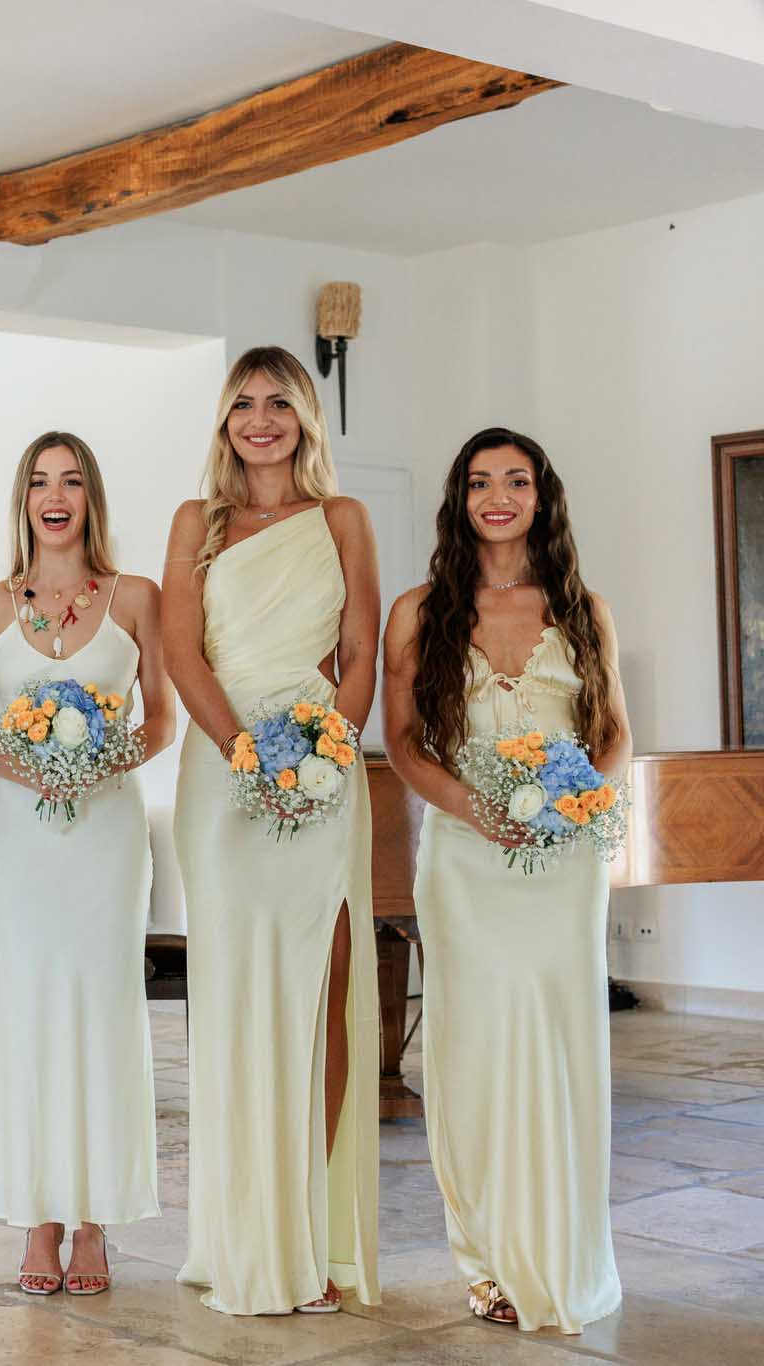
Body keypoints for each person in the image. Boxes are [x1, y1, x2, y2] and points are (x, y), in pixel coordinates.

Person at [383, 428, 628, 1334]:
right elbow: (402, 742)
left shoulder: (584, 609)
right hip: (465, 855)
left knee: (561, 1044)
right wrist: (470, 808)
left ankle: (564, 1250)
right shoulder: (418, 611)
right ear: (459, 500)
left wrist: (581, 802)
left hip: (565, 862)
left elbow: (614, 734)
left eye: (516, 481)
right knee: (475, 1048)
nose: (498, 497)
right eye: (481, 482)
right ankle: (486, 1260)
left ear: (540, 497)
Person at [162, 347, 381, 1315]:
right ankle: (241, 1235)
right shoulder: (195, 522)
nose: (261, 419)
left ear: (304, 420)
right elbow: (180, 650)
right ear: (225, 420)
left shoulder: (343, 519)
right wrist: (245, 754)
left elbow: (361, 650)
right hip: (224, 773)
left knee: (318, 993)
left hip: (322, 766)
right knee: (235, 998)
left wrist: (327, 751)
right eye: (244, 403)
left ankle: (314, 1236)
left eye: (279, 403)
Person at [0, 432, 177, 1296]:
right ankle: (37, 1216)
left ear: (91, 498)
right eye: (41, 482)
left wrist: (98, 763)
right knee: (29, 1007)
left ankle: (93, 1221)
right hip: (19, 834)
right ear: (24, 498)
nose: (55, 496)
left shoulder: (136, 597)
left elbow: (161, 719)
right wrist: (33, 768)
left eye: (72, 481)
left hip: (106, 834)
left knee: (103, 1007)